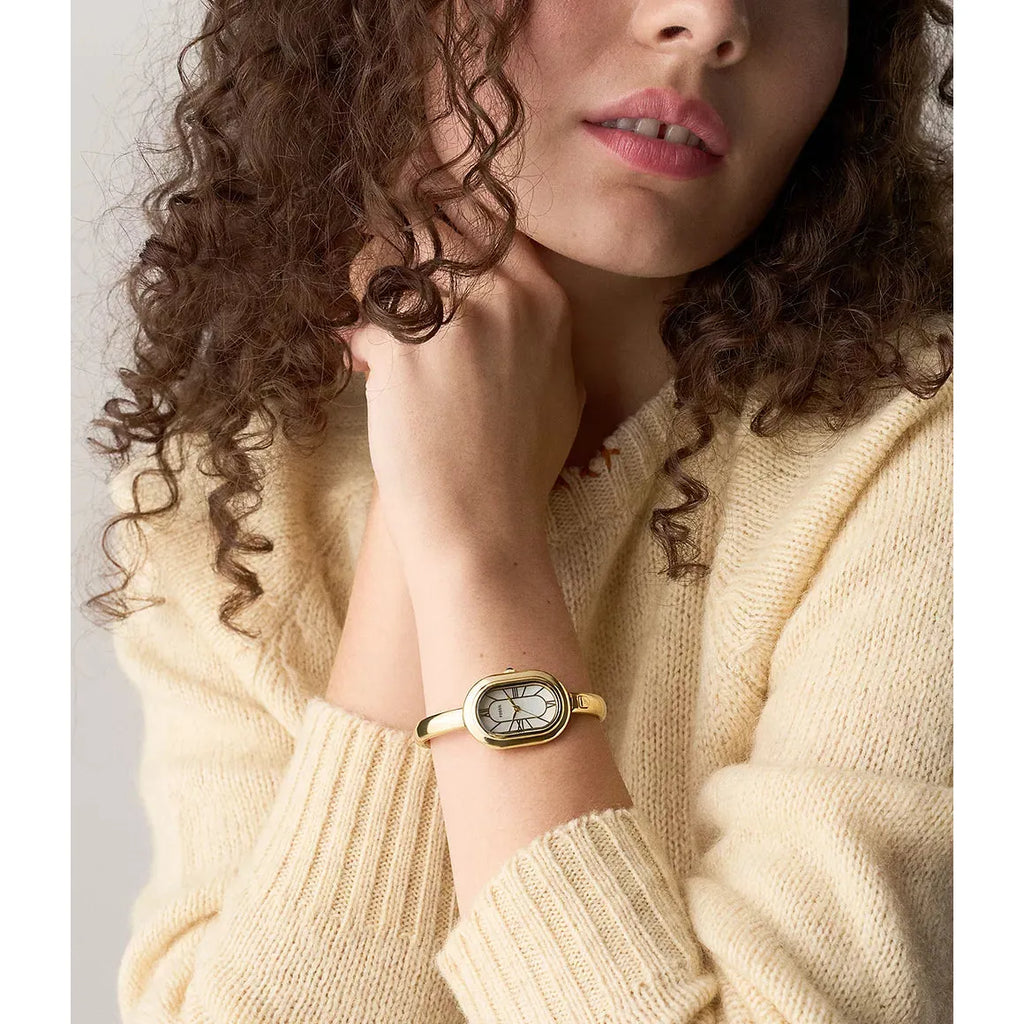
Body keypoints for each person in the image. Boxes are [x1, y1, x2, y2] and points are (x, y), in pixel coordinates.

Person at [86, 1, 953, 1022]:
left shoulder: (940, 454)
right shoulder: (229, 494)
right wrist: (434, 488)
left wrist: (476, 550)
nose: (712, 19)